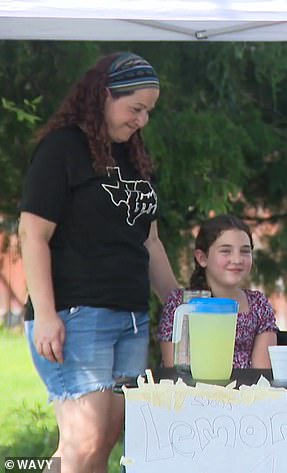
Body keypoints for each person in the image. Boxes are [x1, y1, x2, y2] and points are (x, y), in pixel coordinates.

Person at [19, 52, 179, 473]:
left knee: (103, 439)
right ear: (105, 95)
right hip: (76, 314)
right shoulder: (63, 148)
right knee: (85, 439)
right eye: (136, 108)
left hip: (130, 317)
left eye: (148, 112)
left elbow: (150, 240)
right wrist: (47, 314)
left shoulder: (136, 156)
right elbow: (32, 234)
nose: (142, 120)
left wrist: (178, 302)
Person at [158, 214, 278, 368]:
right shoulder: (180, 305)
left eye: (245, 251)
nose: (237, 259)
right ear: (202, 258)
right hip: (192, 390)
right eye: (226, 251)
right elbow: (175, 372)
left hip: (246, 390)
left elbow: (263, 375)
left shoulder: (258, 305)